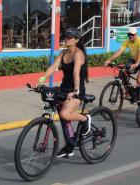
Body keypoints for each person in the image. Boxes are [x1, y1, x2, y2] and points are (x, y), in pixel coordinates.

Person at [38, 27, 91, 158]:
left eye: (69, 37)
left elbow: (76, 73)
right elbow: (53, 67)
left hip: (76, 90)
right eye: (65, 37)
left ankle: (85, 119)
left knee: (65, 114)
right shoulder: (63, 53)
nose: (66, 39)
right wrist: (41, 79)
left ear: (76, 40)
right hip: (63, 89)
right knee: (63, 118)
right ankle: (69, 147)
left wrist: (77, 91)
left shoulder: (78, 54)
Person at [105, 27, 140, 102]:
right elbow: (120, 51)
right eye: (129, 34)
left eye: (132, 35)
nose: (131, 36)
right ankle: (128, 92)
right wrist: (109, 60)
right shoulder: (127, 41)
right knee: (123, 71)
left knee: (139, 80)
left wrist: (137, 63)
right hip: (134, 59)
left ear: (136, 34)